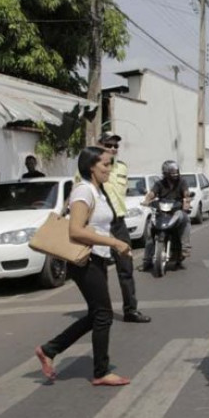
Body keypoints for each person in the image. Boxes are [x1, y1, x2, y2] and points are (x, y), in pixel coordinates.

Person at [34, 146, 132, 386]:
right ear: (91, 166)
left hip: (96, 258)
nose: (110, 169)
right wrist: (114, 242)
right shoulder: (84, 191)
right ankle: (100, 372)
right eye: (105, 165)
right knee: (104, 314)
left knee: (97, 313)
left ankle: (49, 350)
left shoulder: (97, 191)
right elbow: (75, 230)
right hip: (85, 260)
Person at [95, 132, 150, 323]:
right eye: (108, 145)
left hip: (118, 222)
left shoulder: (121, 168)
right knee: (98, 270)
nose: (112, 149)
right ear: (99, 144)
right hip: (98, 225)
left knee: (126, 267)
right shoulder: (89, 166)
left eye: (115, 146)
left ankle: (130, 310)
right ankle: (99, 311)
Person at [140, 160, 192, 270]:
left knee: (186, 219)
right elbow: (152, 193)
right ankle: (147, 260)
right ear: (165, 173)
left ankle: (185, 248)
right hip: (161, 211)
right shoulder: (159, 183)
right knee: (150, 229)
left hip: (176, 210)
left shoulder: (182, 182)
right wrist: (147, 200)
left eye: (176, 172)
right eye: (172, 172)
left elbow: (186, 193)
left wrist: (187, 202)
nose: (174, 174)